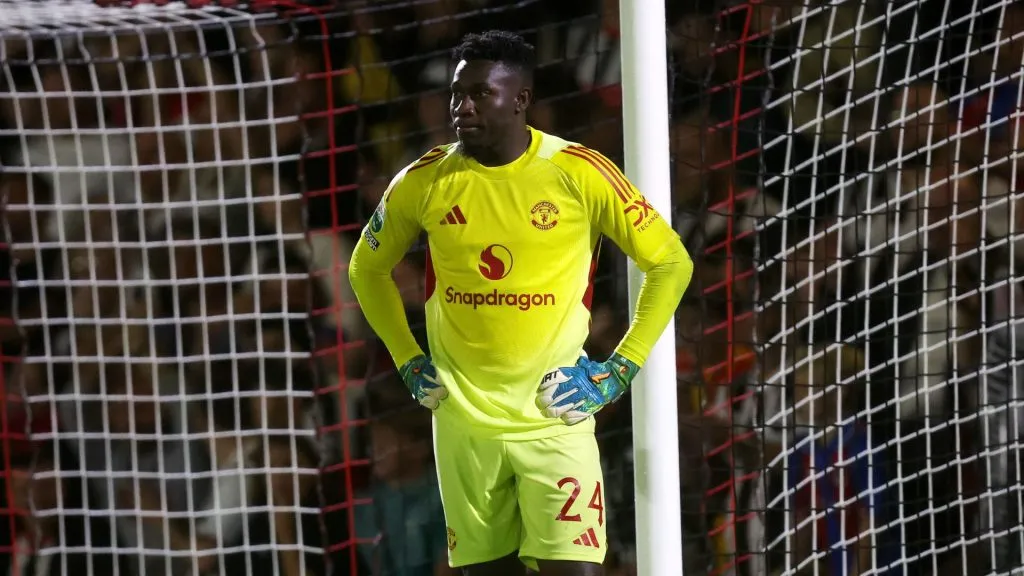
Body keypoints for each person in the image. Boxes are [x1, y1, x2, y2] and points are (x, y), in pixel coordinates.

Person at [348, 30, 693, 576]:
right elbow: (365, 268)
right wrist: (407, 358)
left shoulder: (578, 172)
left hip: (555, 418)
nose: (461, 106)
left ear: (521, 99)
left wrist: (619, 370)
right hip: (464, 426)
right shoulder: (424, 181)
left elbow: (672, 262)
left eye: (481, 93)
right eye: (458, 94)